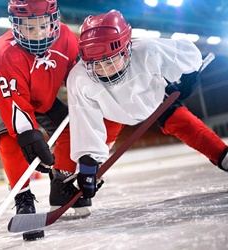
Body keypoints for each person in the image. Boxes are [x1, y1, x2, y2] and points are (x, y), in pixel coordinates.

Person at [67, 9, 228, 200]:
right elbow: (85, 121)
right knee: (94, 159)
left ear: (127, 49)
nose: (103, 71)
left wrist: (189, 76)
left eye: (110, 62)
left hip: (153, 101)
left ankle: (223, 156)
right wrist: (87, 164)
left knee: (184, 123)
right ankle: (82, 183)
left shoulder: (147, 49)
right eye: (96, 64)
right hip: (110, 111)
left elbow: (186, 54)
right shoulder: (79, 78)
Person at [0, 0, 93, 230]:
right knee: (9, 140)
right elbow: (14, 103)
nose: (38, 34)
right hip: (7, 99)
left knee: (74, 129)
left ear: (54, 20)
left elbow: (79, 79)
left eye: (43, 26)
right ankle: (22, 196)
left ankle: (61, 184)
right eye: (29, 27)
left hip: (44, 96)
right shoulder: (0, 53)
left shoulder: (66, 38)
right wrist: (28, 134)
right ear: (15, 25)